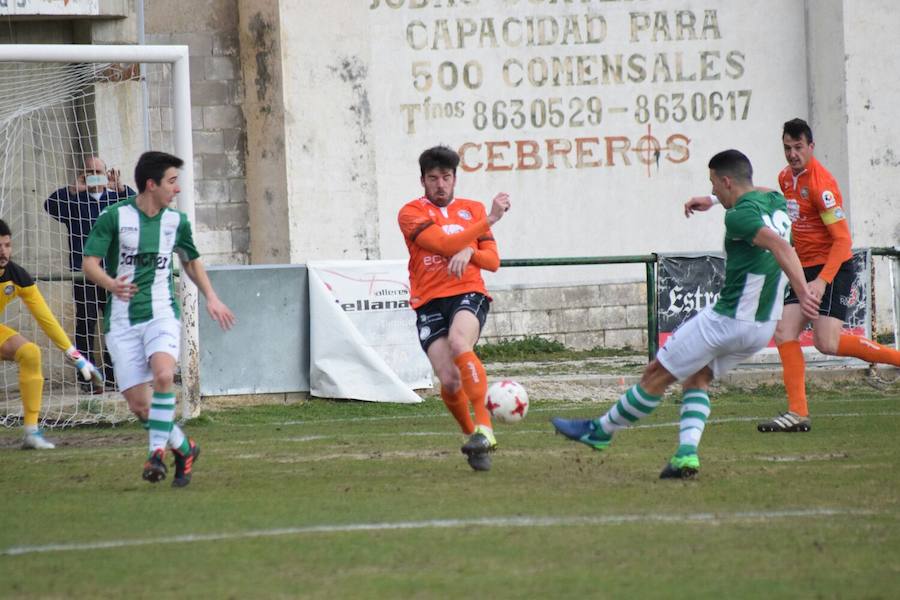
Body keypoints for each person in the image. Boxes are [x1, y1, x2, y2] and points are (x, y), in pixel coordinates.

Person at [552, 150, 820, 478]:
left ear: (726, 181)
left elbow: (782, 248)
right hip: (761, 328)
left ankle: (600, 431)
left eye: (714, 184)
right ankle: (686, 455)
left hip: (727, 321)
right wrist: (712, 198)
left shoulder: (737, 218)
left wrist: (804, 293)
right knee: (698, 377)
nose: (714, 190)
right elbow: (760, 193)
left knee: (656, 374)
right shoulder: (775, 201)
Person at [685, 119, 900, 432]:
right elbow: (766, 193)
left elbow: (843, 242)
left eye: (798, 147)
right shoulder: (787, 178)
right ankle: (797, 412)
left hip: (832, 268)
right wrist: (716, 199)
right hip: (804, 266)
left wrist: (820, 281)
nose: (792, 154)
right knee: (785, 332)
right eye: (787, 147)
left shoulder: (821, 185)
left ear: (810, 147)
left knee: (827, 343)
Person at [82, 151, 235, 487]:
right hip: (121, 323)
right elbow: (89, 262)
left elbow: (191, 261)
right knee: (140, 407)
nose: (176, 189)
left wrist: (212, 297)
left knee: (165, 374)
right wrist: (111, 284)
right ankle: (184, 446)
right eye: (171, 182)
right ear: (151, 185)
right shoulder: (114, 217)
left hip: (162, 313)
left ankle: (156, 455)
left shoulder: (176, 222)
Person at [398, 145, 511, 471]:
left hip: (467, 292)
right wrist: (485, 223)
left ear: (455, 178)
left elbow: (492, 261)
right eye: (433, 178)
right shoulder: (410, 213)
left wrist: (469, 253)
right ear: (423, 181)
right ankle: (474, 439)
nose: (440, 185)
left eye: (446, 177)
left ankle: (486, 430)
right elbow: (445, 245)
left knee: (461, 342)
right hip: (429, 300)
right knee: (448, 380)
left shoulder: (471, 209)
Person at [0, 219, 103, 449]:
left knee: (30, 352)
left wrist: (77, 358)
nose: (3, 251)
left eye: (7, 245)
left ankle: (31, 432)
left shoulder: (17, 276)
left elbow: (46, 319)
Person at [45, 156, 135, 393]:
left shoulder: (117, 198)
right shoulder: (74, 201)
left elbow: (139, 206)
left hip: (113, 275)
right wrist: (74, 189)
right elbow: (50, 205)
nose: (94, 174)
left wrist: (122, 188)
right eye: (89, 171)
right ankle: (87, 379)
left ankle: (114, 376)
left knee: (114, 326)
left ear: (107, 173)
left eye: (98, 170)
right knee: (85, 325)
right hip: (83, 274)